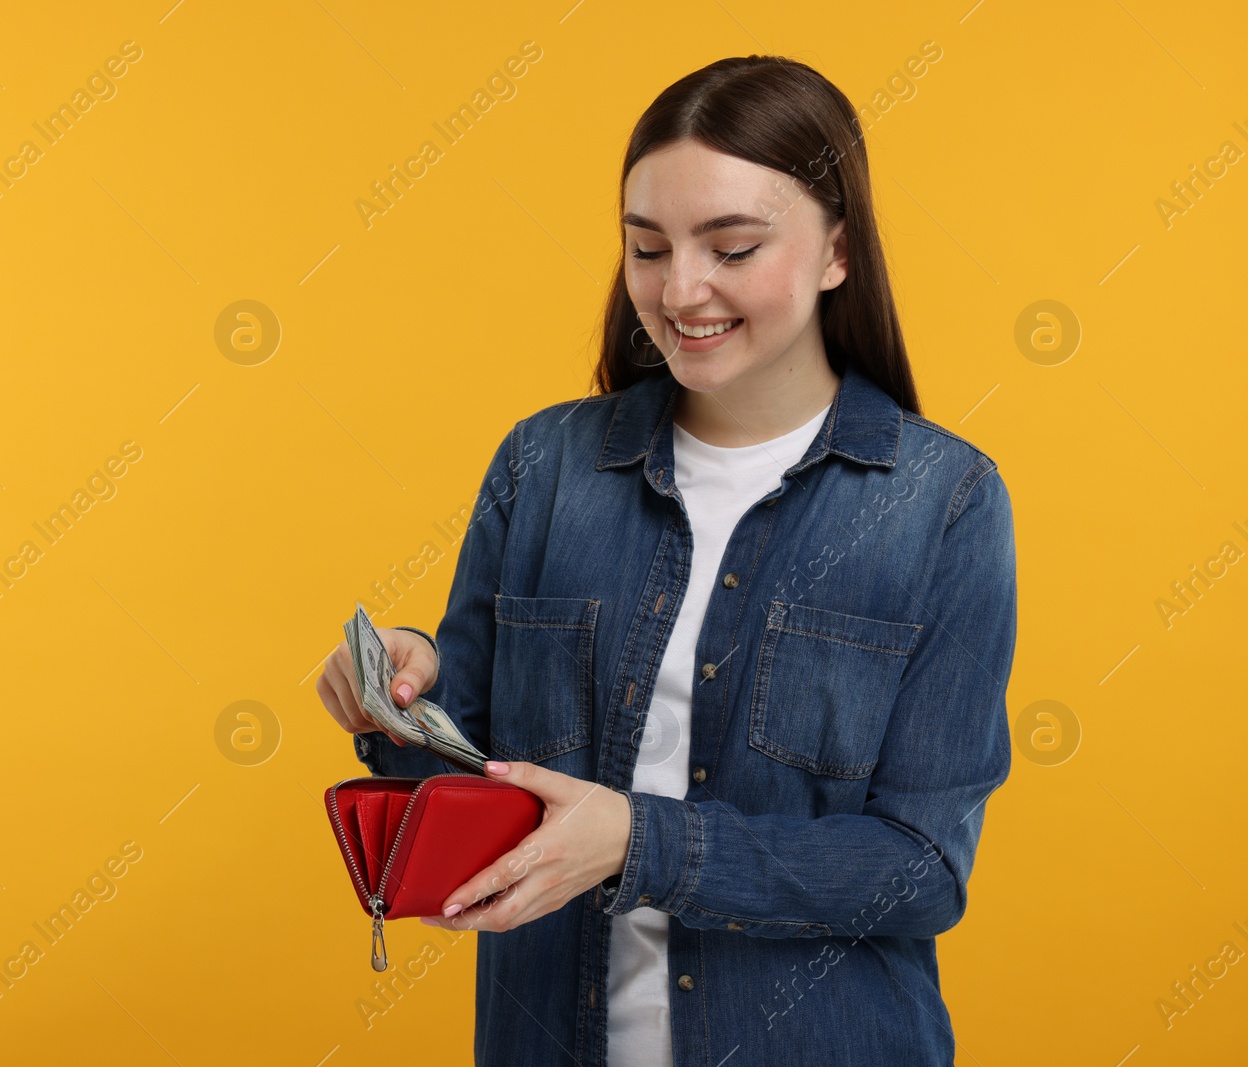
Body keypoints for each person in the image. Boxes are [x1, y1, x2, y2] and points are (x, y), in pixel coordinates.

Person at [317, 53, 1016, 1067]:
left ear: (835, 252)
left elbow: (916, 870)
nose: (679, 289)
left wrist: (640, 842)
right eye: (646, 249)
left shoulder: (941, 502)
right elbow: (462, 771)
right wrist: (397, 687)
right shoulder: (543, 463)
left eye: (731, 247)